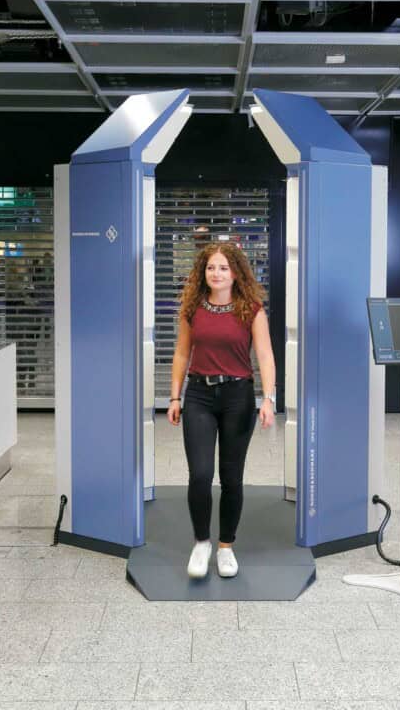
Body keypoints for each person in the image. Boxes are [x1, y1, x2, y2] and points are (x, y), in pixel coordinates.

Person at [167, 243, 276, 579]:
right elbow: (182, 355)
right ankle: (202, 543)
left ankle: (226, 546)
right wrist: (175, 397)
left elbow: (265, 356)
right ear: (203, 272)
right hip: (199, 395)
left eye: (224, 268)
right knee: (200, 475)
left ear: (236, 273)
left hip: (237, 397)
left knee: (231, 478)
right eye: (211, 267)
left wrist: (268, 398)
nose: (216, 273)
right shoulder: (192, 309)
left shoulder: (252, 310)